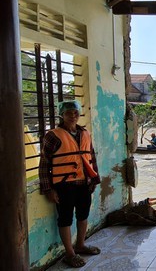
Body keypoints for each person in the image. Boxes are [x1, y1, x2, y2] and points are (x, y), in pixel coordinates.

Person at [39, 100, 101, 268]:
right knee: (65, 218)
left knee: (83, 215)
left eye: (75, 112)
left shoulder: (85, 133)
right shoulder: (53, 135)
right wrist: (48, 189)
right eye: (68, 113)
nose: (73, 116)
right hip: (64, 185)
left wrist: (94, 179)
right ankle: (69, 253)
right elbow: (44, 163)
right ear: (62, 115)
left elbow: (91, 157)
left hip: (84, 183)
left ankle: (80, 245)